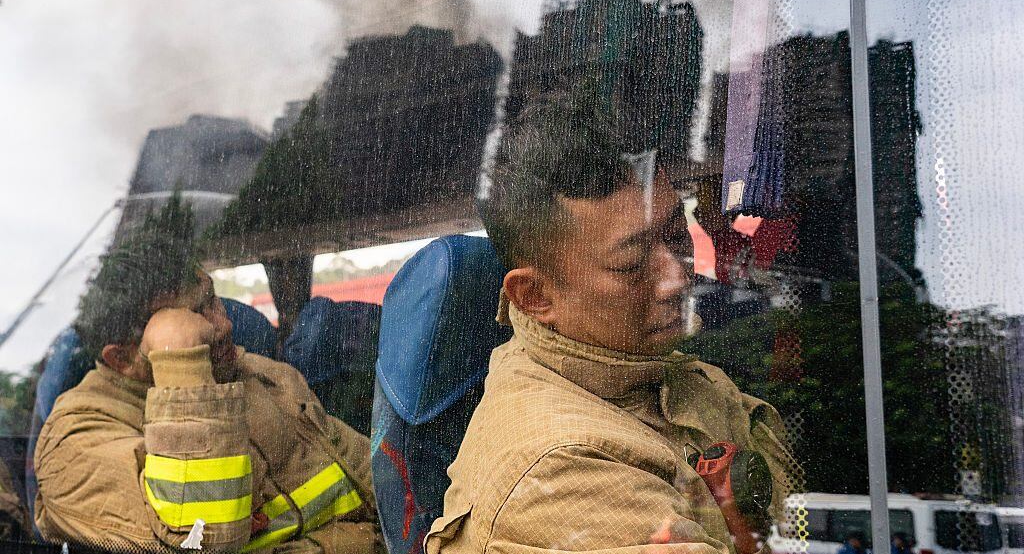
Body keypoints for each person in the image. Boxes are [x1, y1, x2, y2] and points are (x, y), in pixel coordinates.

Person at [425, 91, 795, 554]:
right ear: (536, 296)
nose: (678, 279)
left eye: (676, 234)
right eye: (631, 264)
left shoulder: (658, 373)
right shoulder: (558, 471)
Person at [33, 198, 380, 553]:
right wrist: (181, 360)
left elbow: (379, 479)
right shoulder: (73, 446)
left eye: (212, 300)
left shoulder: (262, 375)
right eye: (191, 318)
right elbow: (203, 538)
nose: (224, 325)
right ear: (121, 357)